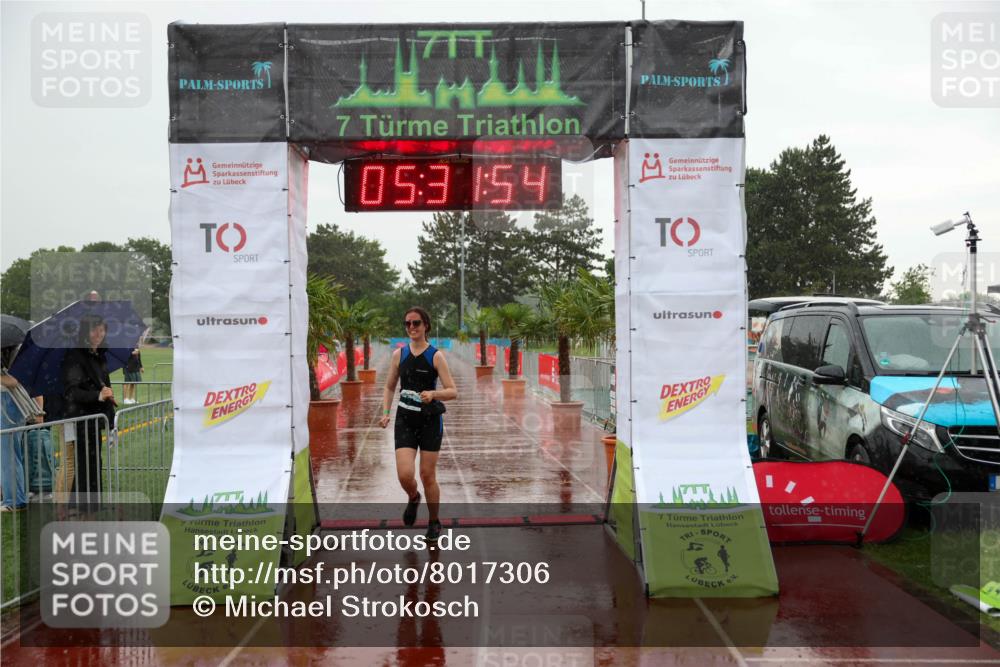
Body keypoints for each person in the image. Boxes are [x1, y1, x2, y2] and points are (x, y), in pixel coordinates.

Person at [379, 308, 457, 542]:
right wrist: (385, 412)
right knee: (405, 474)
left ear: (426, 326)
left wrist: (434, 394)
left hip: (430, 421)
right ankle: (414, 497)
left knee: (427, 474)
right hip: (405, 419)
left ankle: (434, 522)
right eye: (407, 324)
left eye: (416, 323)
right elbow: (389, 386)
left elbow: (453, 391)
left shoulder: (436, 356)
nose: (412, 327)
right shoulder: (399, 355)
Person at [60, 314, 116, 499]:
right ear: (86, 332)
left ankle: (91, 511)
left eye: (102, 329)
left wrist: (112, 421)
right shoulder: (74, 356)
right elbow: (71, 392)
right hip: (78, 420)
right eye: (94, 330)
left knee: (94, 466)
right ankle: (76, 512)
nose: (99, 334)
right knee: (81, 467)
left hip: (94, 421)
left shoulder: (100, 355)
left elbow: (106, 389)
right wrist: (98, 395)